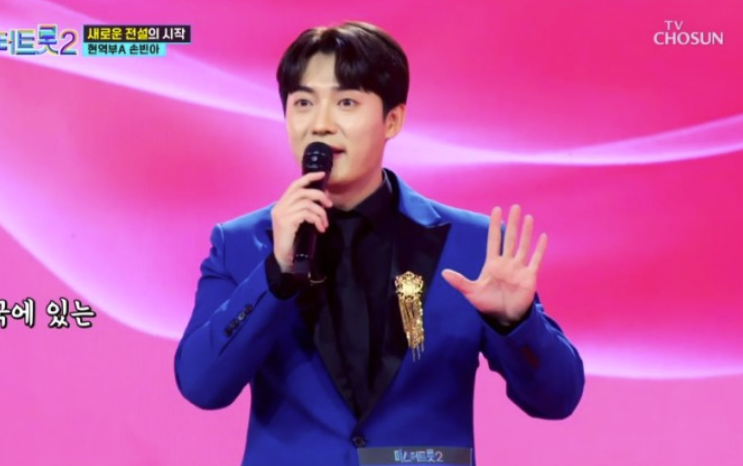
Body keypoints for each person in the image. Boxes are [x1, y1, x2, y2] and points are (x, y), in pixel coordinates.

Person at [174, 21, 584, 466]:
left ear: (392, 120)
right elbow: (201, 386)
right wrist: (276, 275)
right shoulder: (241, 244)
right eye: (303, 103)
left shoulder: (472, 245)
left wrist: (516, 323)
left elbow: (557, 399)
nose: (321, 124)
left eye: (346, 102)